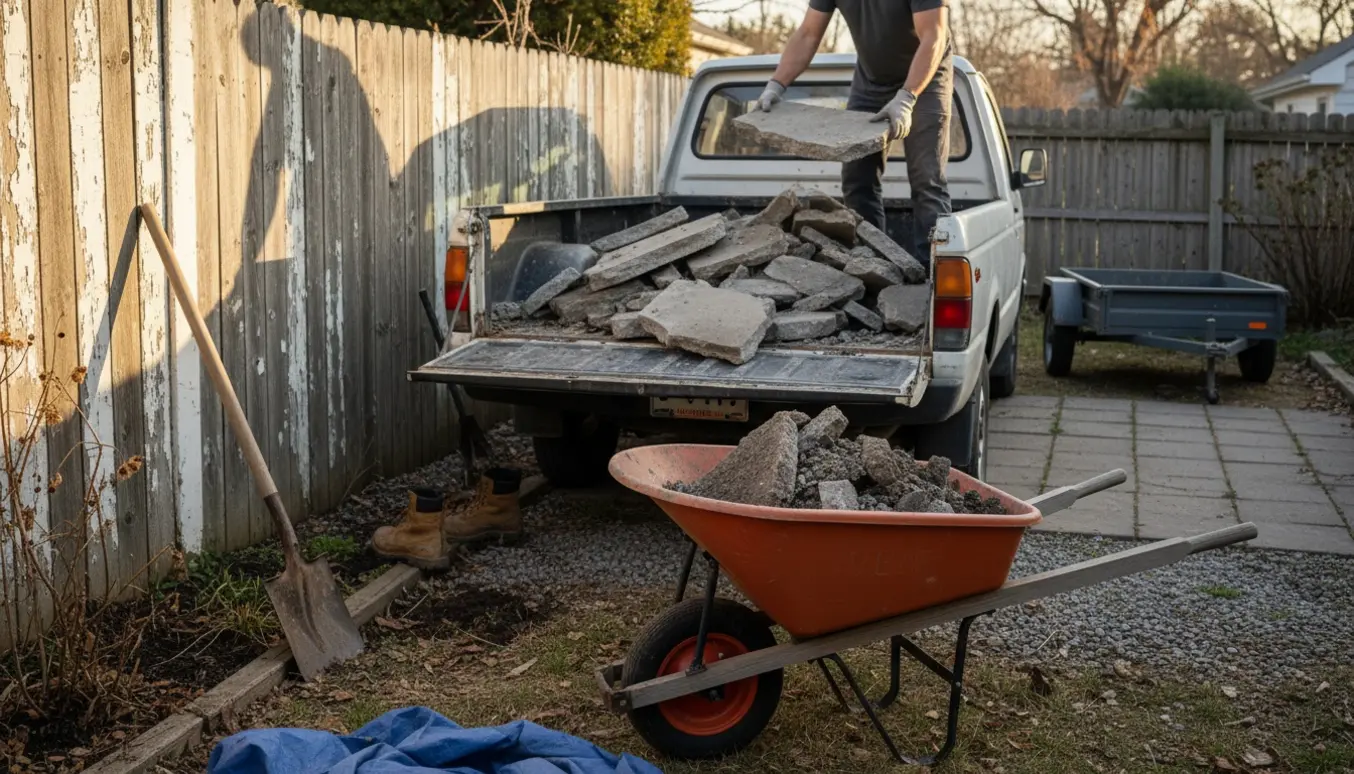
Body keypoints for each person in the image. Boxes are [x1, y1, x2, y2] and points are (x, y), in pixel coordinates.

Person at [756, 0, 953, 266]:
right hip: (871, 82)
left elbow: (933, 35)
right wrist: (776, 85)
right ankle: (874, 267)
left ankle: (934, 277)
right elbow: (808, 33)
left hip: (927, 79)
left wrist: (907, 98)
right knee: (857, 180)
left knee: (926, 180)